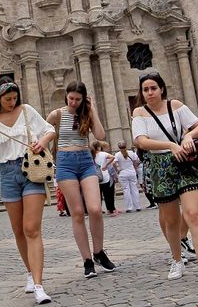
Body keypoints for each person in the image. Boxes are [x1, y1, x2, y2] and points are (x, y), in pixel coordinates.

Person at [131, 71, 198, 287]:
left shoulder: (176, 106)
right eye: (145, 89)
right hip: (160, 167)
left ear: (162, 89)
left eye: (153, 88)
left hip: (185, 163)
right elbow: (141, 141)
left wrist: (188, 135)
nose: (150, 92)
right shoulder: (139, 113)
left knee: (193, 213)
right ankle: (177, 259)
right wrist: (170, 145)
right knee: (171, 220)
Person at [0, 76, 55, 304]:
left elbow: (49, 129)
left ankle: (40, 285)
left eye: (14, 98)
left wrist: (42, 143)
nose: (12, 102)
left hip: (30, 170)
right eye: (8, 99)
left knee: (31, 228)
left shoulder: (27, 110)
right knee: (19, 231)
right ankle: (30, 273)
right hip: (7, 174)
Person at [46, 81, 116, 279]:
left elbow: (101, 135)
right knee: (77, 213)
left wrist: (92, 110)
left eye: (78, 99)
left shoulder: (86, 113)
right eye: (71, 98)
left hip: (86, 160)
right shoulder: (57, 114)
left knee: (95, 209)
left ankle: (99, 252)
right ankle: (87, 260)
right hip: (65, 162)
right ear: (66, 96)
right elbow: (42, 133)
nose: (74, 102)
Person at [91, 140, 119, 216]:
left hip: (95, 177)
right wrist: (106, 165)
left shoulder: (91, 155)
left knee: (98, 195)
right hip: (105, 176)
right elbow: (113, 157)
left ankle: (98, 210)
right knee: (108, 194)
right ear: (99, 147)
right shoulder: (103, 154)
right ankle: (111, 209)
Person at [114, 141, 142, 212]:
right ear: (126, 146)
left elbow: (114, 162)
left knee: (126, 190)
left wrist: (117, 170)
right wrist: (135, 168)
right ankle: (138, 206)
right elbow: (137, 161)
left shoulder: (117, 154)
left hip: (123, 173)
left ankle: (129, 207)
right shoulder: (131, 153)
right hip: (132, 172)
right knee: (134, 189)